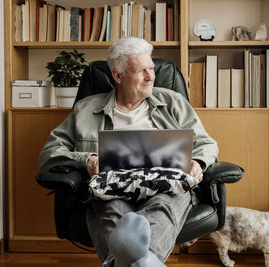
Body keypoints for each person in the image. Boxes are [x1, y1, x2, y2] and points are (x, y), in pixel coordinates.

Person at [38, 37, 219, 267]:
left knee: (162, 207)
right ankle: (145, 263)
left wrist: (199, 162)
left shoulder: (173, 103)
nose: (151, 76)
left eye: (151, 68)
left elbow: (207, 144)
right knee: (113, 211)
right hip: (112, 189)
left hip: (167, 187)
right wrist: (87, 160)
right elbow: (49, 153)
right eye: (141, 71)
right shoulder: (86, 109)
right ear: (118, 75)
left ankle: (124, 262)